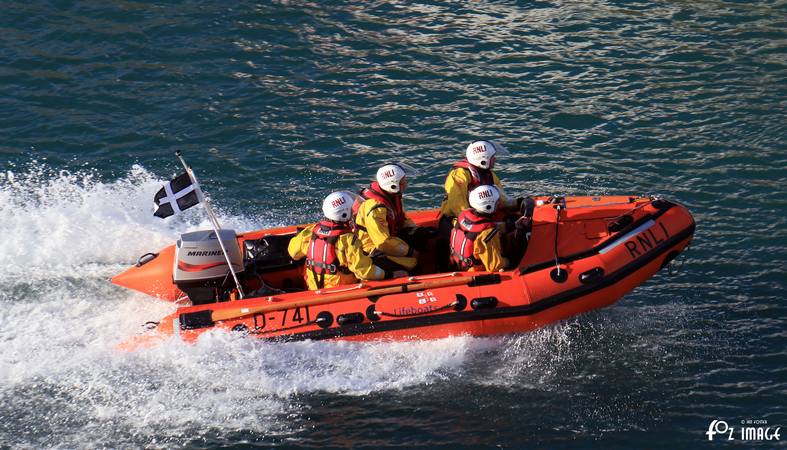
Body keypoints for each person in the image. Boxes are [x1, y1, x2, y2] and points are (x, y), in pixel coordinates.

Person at [288, 191, 388, 290]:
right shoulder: (348, 239)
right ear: (344, 214)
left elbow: (293, 253)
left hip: (313, 289)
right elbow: (363, 271)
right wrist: (387, 274)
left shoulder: (310, 232)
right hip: (340, 291)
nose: (353, 212)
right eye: (351, 210)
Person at [353, 163, 430, 273]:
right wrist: (410, 252)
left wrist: (416, 230)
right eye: (403, 182)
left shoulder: (391, 195)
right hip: (372, 249)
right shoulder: (376, 208)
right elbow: (383, 242)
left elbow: (401, 219)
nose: (406, 183)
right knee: (412, 264)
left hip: (389, 236)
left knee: (426, 236)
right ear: (393, 185)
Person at [438, 140, 519, 230]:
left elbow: (500, 199)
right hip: (456, 220)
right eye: (492, 157)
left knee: (513, 219)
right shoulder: (460, 175)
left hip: (481, 216)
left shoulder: (490, 175)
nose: (495, 159)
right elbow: (458, 206)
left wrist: (518, 203)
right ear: (483, 160)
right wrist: (476, 221)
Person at [449, 185, 529, 272]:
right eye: (497, 202)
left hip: (459, 263)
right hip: (475, 270)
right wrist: (512, 260)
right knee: (516, 256)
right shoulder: (487, 232)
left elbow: (487, 227)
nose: (499, 203)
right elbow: (494, 266)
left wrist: (513, 225)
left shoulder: (463, 216)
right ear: (488, 206)